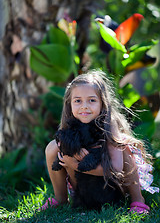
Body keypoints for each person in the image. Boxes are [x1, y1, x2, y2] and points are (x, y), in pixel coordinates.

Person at [39, 70, 159, 213]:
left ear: (102, 103)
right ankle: (60, 199)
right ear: (69, 104)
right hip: (85, 186)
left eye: (92, 100)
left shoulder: (109, 125)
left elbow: (115, 169)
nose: (84, 106)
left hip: (115, 183)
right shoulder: (71, 124)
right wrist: (71, 160)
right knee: (53, 147)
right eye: (78, 101)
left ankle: (137, 200)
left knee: (123, 147)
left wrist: (75, 165)